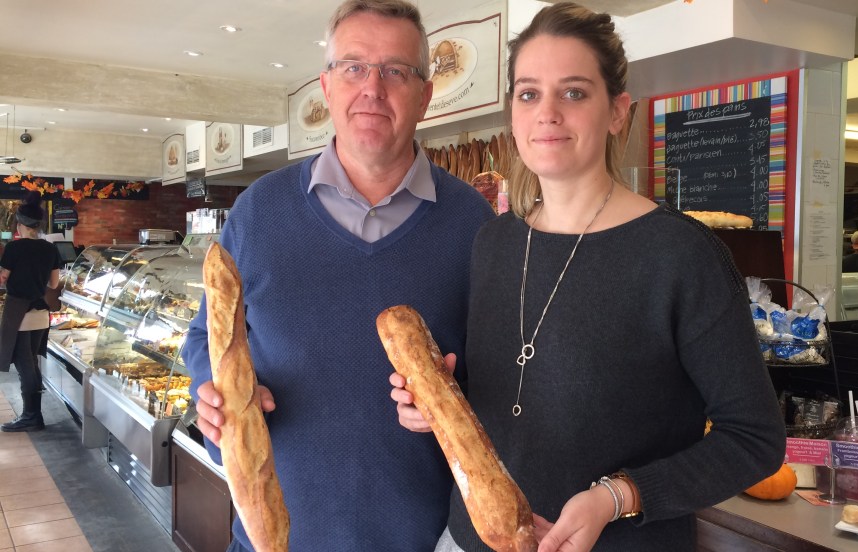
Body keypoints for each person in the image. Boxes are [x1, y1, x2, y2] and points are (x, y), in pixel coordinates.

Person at [391, 4, 786, 551]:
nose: (547, 113)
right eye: (529, 94)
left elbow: (755, 439)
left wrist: (618, 496)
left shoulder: (681, 254)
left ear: (617, 111)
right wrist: (435, 403)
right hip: (472, 540)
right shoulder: (494, 242)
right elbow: (512, 395)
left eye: (573, 92)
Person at [180, 1, 495, 550]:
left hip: (424, 541)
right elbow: (204, 337)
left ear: (424, 95)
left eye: (396, 70)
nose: (372, 88)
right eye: (353, 67)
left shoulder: (473, 224)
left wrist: (457, 396)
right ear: (326, 86)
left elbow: (504, 381)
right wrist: (213, 395)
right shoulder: (259, 212)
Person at [0, 191, 61, 432]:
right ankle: (33, 414)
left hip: (19, 313)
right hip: (41, 313)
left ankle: (31, 416)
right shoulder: (50, 249)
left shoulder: (14, 248)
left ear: (21, 224)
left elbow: (3, 278)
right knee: (31, 362)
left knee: (24, 364)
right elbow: (54, 284)